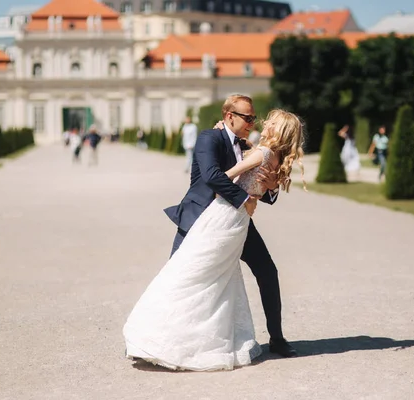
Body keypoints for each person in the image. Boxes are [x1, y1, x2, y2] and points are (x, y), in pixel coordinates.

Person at [123, 102, 304, 371]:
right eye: (248, 118)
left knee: (267, 271)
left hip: (237, 221)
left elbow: (262, 181)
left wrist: (268, 187)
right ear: (230, 117)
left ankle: (276, 338)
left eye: (256, 118)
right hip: (204, 216)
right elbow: (211, 177)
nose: (254, 123)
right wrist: (246, 200)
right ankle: (154, 339)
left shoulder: (250, 147)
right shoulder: (210, 137)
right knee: (182, 277)